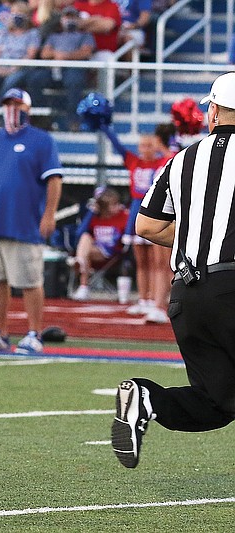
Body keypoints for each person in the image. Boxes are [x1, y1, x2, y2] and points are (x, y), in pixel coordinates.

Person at [111, 72, 235, 469]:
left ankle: (148, 398)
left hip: (187, 293)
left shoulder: (183, 158)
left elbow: (146, 225)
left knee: (217, 400)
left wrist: (196, 239)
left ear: (213, 112)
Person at [0, 88, 63, 354]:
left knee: (29, 280)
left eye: (17, 104)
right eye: (8, 104)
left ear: (28, 108)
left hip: (25, 223)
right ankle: (0, 332)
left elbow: (54, 179)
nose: (12, 109)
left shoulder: (41, 140)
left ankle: (34, 332)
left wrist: (49, 213)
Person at [100, 123, 171, 323]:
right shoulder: (134, 162)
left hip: (154, 211)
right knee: (141, 261)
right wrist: (105, 127)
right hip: (135, 211)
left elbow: (171, 156)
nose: (146, 149)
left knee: (158, 262)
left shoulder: (161, 163)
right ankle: (144, 298)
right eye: (142, 145)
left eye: (150, 145)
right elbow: (118, 147)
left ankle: (159, 302)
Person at [27, 5, 95, 131]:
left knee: (74, 81)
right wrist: (56, 55)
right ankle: (42, 119)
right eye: (67, 17)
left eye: (73, 17)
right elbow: (44, 53)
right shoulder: (54, 36)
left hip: (73, 68)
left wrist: (66, 56)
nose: (69, 20)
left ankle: (73, 121)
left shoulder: (85, 35)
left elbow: (86, 52)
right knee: (34, 79)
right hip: (54, 69)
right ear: (61, 19)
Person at [71, 187, 129, 300]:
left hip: (112, 252)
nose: (117, 206)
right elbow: (79, 233)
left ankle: (82, 277)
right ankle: (81, 263)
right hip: (93, 251)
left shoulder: (123, 216)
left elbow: (127, 237)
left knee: (85, 252)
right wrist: (91, 212)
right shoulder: (95, 217)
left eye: (117, 203)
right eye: (113, 204)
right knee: (85, 237)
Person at [0, 1, 40, 108]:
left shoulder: (32, 33)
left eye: (20, 13)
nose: (16, 16)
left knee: (9, 83)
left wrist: (12, 69)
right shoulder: (4, 32)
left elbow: (30, 56)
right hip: (0, 67)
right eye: (14, 12)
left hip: (20, 69)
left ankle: (2, 114)